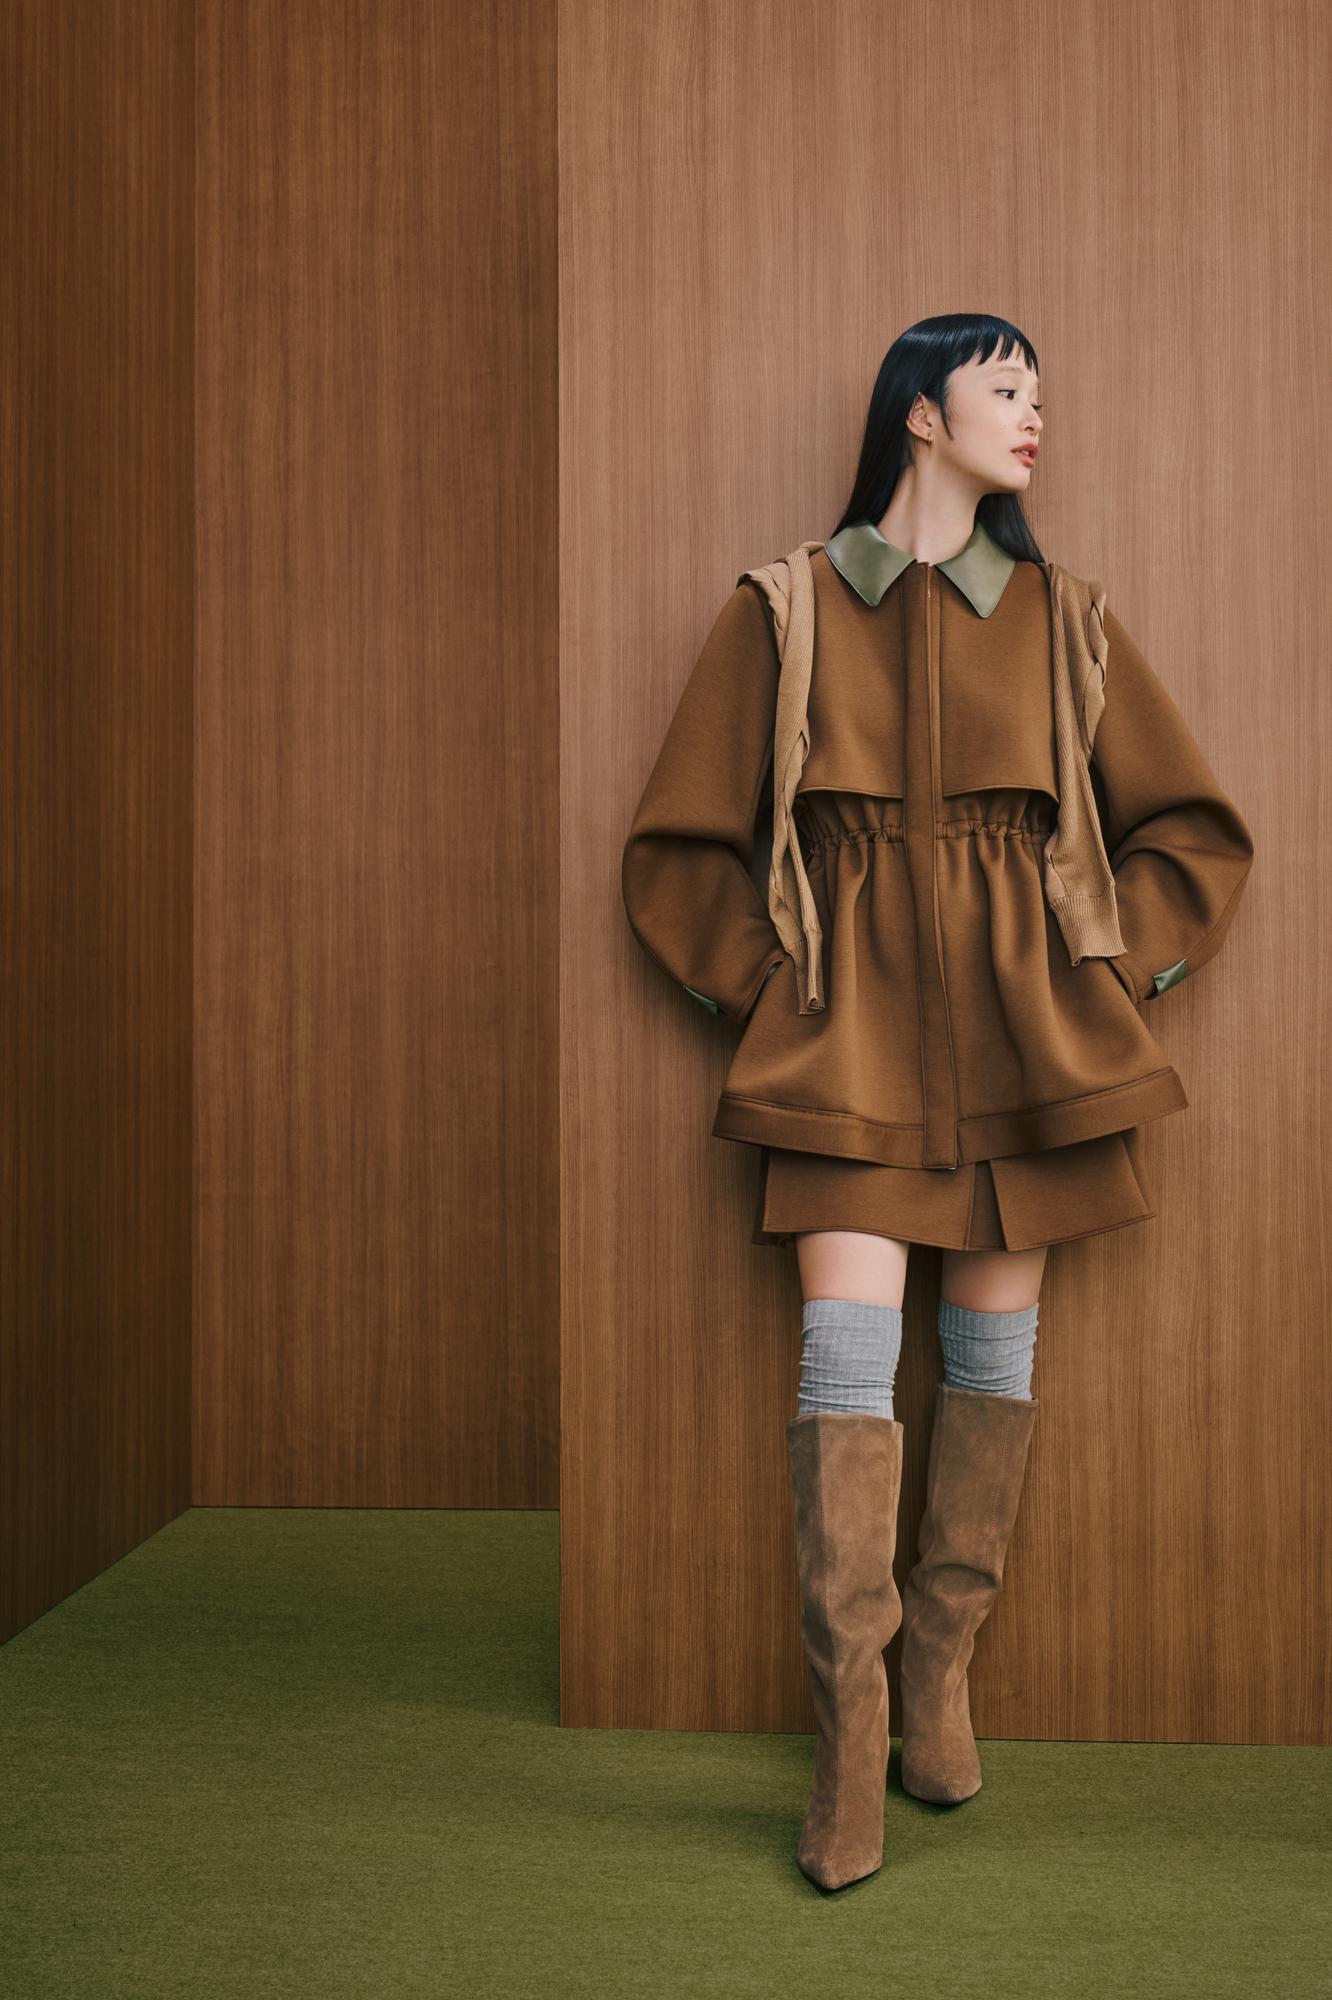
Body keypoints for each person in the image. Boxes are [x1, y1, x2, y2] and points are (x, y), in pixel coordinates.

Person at [619, 313, 1255, 1893]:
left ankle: (940, 1677)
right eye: (1005, 388)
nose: (1034, 416)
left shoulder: (1062, 617)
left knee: (990, 1365)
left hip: (1031, 1053)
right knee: (844, 1364)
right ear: (920, 411)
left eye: (1042, 394)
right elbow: (678, 852)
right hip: (842, 1051)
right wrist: (772, 993)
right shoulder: (782, 610)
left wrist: (1108, 980)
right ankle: (848, 1740)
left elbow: (1193, 833)